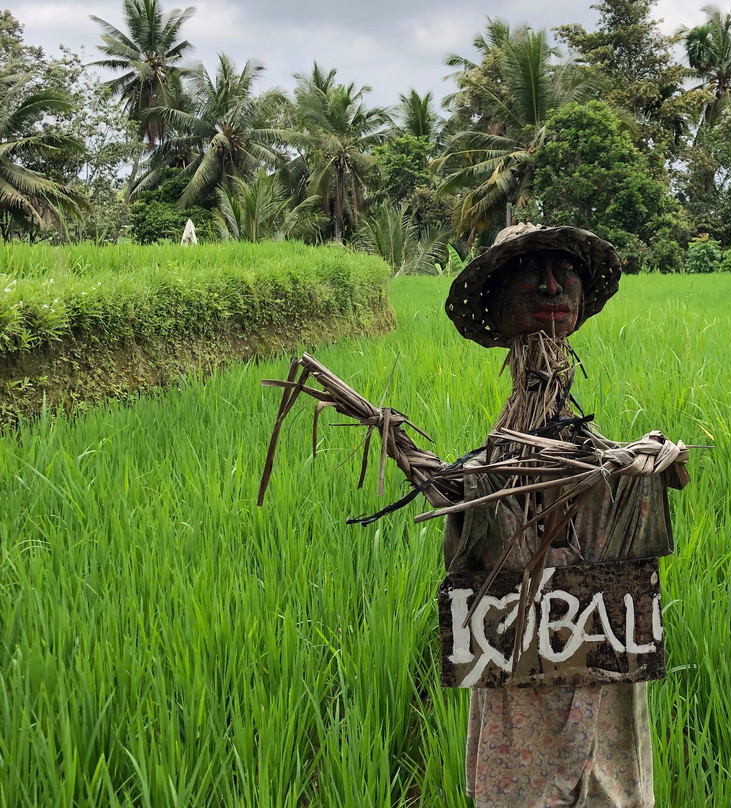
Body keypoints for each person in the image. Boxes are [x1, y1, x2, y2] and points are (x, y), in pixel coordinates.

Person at [260, 223, 689, 808]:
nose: (549, 286)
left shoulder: (606, 465)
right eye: (528, 272)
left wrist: (646, 462)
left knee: (611, 780)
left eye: (563, 271)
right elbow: (475, 547)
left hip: (603, 673)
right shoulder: (489, 474)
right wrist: (403, 448)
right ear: (496, 303)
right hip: (519, 682)